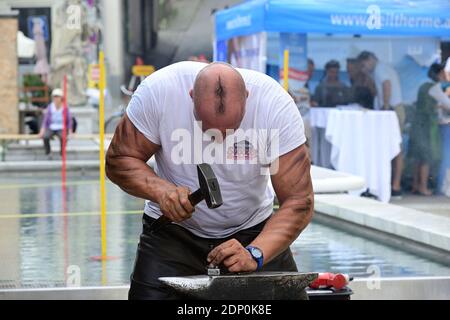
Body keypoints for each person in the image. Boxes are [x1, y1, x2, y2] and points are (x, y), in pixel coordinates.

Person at [105, 61, 314, 300]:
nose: (219, 138)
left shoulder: (274, 106)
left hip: (253, 230)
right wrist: (161, 191)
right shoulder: (160, 91)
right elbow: (119, 159)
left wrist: (256, 253)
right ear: (191, 96)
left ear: (248, 96)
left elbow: (299, 201)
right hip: (173, 233)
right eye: (207, 127)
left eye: (232, 128)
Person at [358, 51, 405, 198]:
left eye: (364, 64)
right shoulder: (378, 70)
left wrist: (385, 106)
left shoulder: (380, 69)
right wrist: (367, 77)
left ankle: (396, 185)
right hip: (390, 109)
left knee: (395, 147)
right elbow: (375, 91)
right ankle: (391, 183)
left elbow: (387, 84)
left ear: (370, 59)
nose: (363, 67)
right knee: (389, 147)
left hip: (392, 110)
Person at [409, 63, 450, 196]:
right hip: (428, 125)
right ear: (439, 74)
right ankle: (423, 187)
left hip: (417, 122)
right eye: (443, 73)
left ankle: (415, 184)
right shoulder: (435, 88)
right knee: (427, 156)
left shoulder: (423, 85)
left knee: (417, 156)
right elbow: (447, 104)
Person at [38, 88, 73, 159]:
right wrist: (42, 131)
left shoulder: (65, 107)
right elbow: (45, 120)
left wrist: (70, 132)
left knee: (63, 137)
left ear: (61, 98)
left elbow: (69, 120)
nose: (56, 99)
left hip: (62, 127)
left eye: (57, 97)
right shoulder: (50, 107)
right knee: (45, 137)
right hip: (51, 127)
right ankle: (48, 152)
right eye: (54, 97)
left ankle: (62, 152)